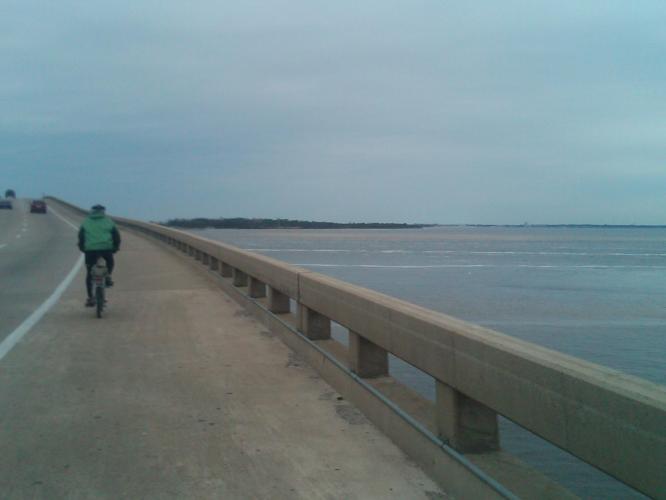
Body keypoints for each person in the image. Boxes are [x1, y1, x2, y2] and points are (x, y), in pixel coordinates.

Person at [78, 204, 121, 307]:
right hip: (106, 248)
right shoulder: (109, 221)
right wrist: (115, 247)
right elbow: (116, 236)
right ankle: (108, 276)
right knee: (110, 262)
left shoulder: (86, 221)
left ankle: (90, 297)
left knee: (89, 273)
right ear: (103, 212)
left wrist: (83, 248)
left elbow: (81, 237)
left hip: (90, 250)